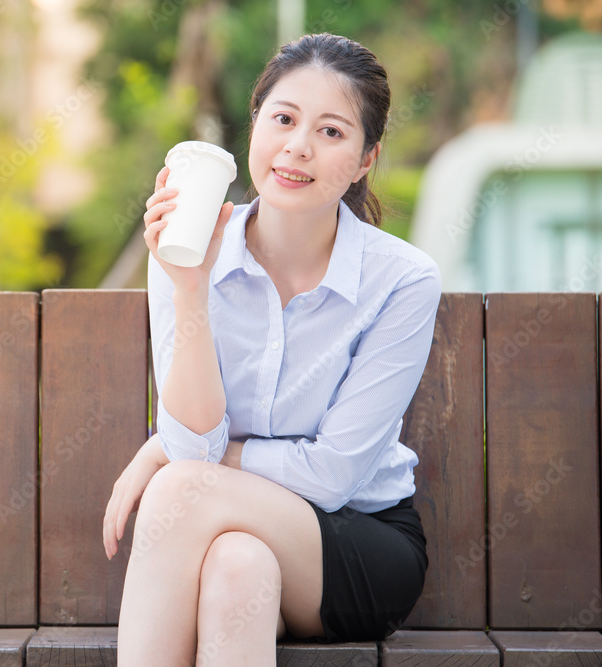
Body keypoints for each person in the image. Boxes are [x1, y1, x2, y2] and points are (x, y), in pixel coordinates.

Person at [101, 32, 441, 666]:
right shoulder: (186, 247)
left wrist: (177, 456)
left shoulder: (402, 279)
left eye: (332, 132)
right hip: (235, 539)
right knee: (237, 567)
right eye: (283, 119)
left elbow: (333, 476)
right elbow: (192, 449)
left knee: (178, 490)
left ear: (366, 158)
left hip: (356, 545)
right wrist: (192, 289)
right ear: (254, 126)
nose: (298, 146)